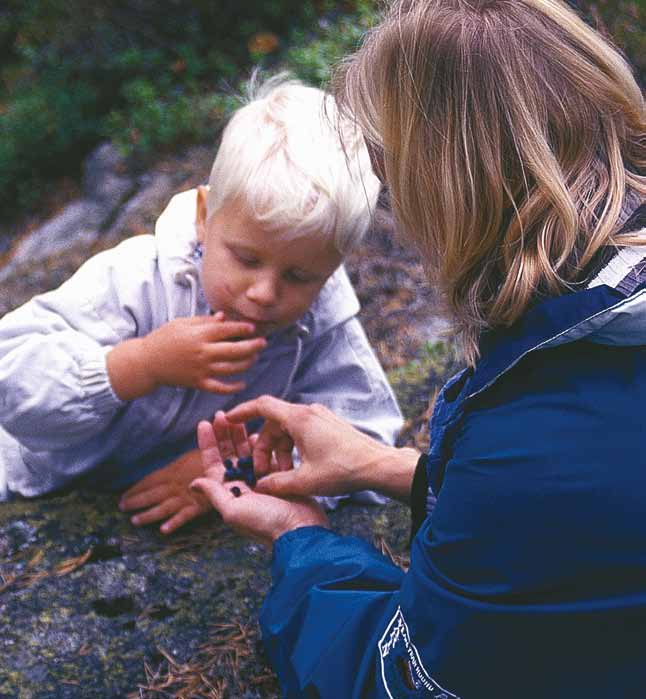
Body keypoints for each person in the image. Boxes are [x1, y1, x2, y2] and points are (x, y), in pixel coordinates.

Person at [189, 1, 646, 697]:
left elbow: (409, 679)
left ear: (445, 186)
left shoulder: (532, 439)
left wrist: (300, 540)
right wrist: (391, 467)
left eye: (389, 172)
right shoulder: (596, 329)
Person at [0, 76, 403, 534]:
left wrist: (238, 465)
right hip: (35, 479)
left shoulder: (321, 320)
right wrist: (139, 364)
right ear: (205, 217)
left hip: (155, 518)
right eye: (246, 259)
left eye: (299, 276)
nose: (264, 293)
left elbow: (365, 432)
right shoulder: (139, 278)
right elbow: (11, 373)